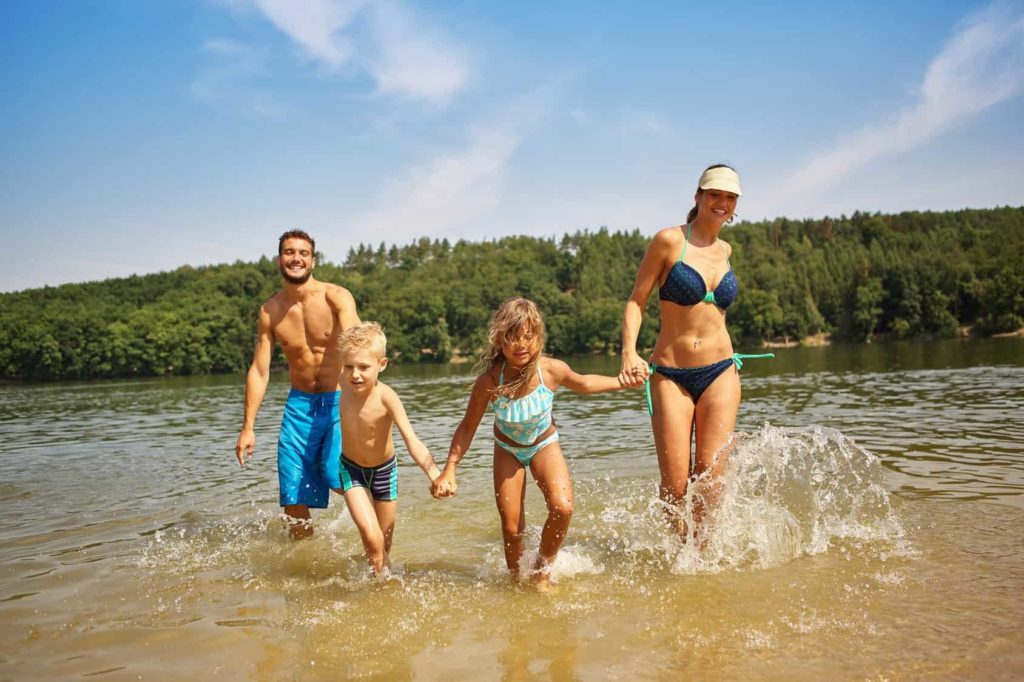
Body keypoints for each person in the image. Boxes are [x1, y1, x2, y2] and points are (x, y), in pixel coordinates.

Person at [434, 297, 636, 590]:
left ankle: (542, 569)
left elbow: (585, 384)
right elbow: (467, 428)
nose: (521, 344)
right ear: (500, 340)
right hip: (507, 450)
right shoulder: (489, 381)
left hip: (544, 444)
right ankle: (517, 580)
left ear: (538, 337)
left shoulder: (551, 370)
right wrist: (449, 469)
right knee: (512, 528)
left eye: (528, 336)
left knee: (563, 507)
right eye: (513, 337)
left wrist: (622, 381)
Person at [619, 164, 772, 543]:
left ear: (736, 206)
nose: (722, 202)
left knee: (710, 477)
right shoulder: (669, 241)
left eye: (730, 197)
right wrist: (629, 353)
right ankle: (679, 551)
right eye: (715, 194)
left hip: (721, 370)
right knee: (674, 487)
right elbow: (636, 302)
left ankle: (703, 556)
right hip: (671, 374)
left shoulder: (727, 249)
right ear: (699, 196)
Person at [235, 229, 360, 539]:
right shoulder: (270, 311)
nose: (296, 258)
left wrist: (368, 403)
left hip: (337, 400)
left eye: (303, 253)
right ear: (280, 259)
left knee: (335, 476)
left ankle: (376, 529)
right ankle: (304, 567)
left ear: (312, 260)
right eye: (290, 252)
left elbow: (358, 347)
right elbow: (260, 371)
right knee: (293, 495)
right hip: (299, 406)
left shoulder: (336, 297)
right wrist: (248, 426)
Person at [334, 322, 442, 575]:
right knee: (373, 540)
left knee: (383, 546)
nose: (355, 375)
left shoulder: (387, 397)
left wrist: (435, 474)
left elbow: (412, 441)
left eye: (364, 367)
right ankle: (385, 584)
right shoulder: (342, 384)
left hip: (385, 473)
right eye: (348, 367)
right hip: (352, 471)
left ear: (381, 365)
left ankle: (378, 590)